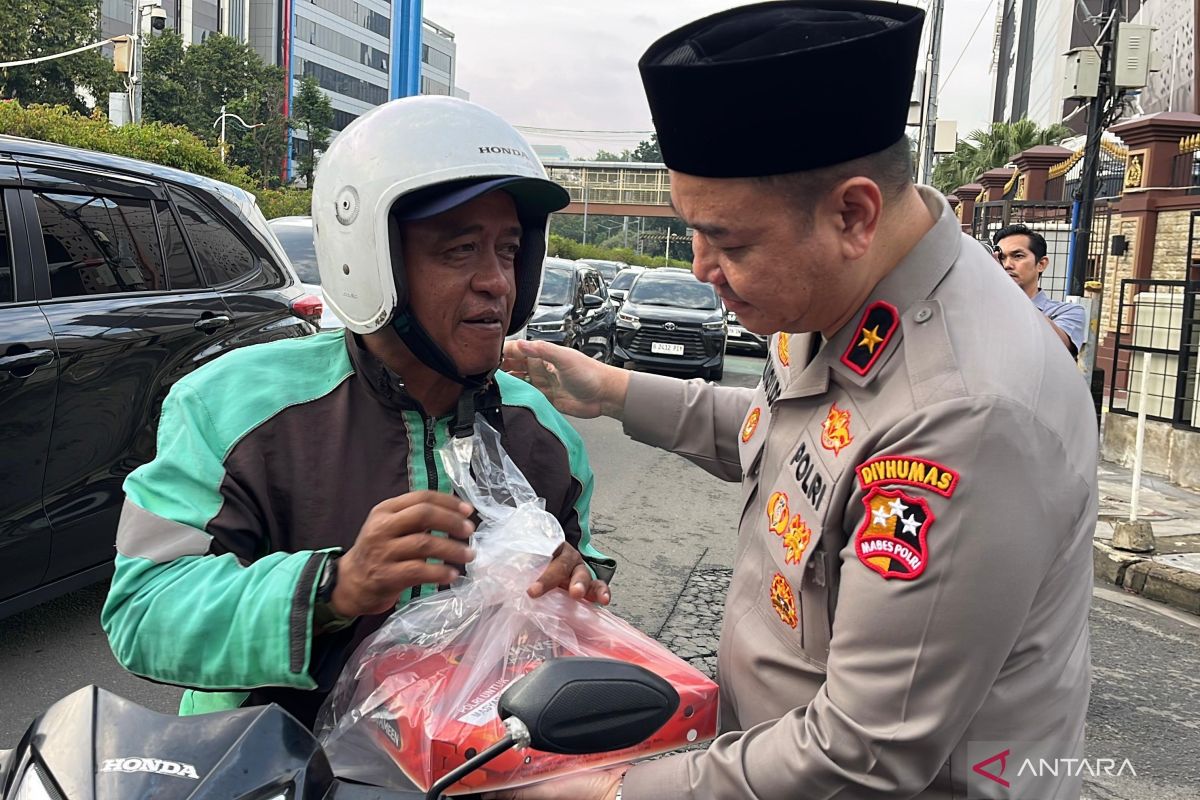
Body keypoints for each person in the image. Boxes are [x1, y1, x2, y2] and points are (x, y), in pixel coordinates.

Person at [491, 3, 1098, 799]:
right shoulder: (844, 298)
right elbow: (781, 432)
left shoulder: (966, 415)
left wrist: (612, 794)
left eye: (729, 241)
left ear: (853, 214)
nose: (701, 268)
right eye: (693, 232)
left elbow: (863, 754)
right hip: (759, 754)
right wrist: (610, 390)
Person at [101, 96, 615, 728]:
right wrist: (333, 588)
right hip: (270, 759)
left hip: (475, 760)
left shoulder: (544, 433)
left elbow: (583, 578)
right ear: (372, 261)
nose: (497, 281)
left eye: (508, 251)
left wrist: (574, 584)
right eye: (460, 250)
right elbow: (144, 610)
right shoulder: (230, 407)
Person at [993, 223, 1088, 357]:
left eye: (1018, 256)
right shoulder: (986, 307)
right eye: (1001, 258)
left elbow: (1058, 347)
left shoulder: (1067, 312)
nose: (1007, 265)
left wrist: (1010, 294)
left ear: (1041, 264)